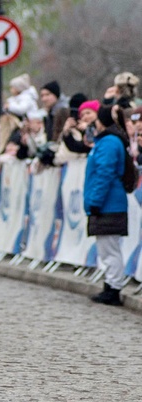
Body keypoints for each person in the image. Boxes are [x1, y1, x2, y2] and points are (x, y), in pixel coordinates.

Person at [85, 105, 130, 306]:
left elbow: (104, 174)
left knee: (110, 248)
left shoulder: (109, 143)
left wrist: (95, 201)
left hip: (109, 204)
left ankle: (114, 288)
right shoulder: (106, 142)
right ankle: (110, 284)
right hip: (108, 202)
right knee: (106, 248)